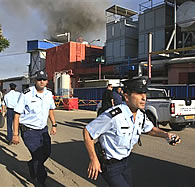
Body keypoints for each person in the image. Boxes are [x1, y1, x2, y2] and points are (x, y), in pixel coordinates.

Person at [83, 76, 181, 187]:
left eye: (144, 94)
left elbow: (149, 129)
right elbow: (88, 132)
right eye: (139, 94)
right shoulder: (114, 115)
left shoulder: (140, 115)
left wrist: (166, 135)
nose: (144, 98)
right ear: (126, 96)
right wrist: (93, 159)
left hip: (125, 163)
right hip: (109, 165)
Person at [12, 70, 57, 187]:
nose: (42, 82)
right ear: (34, 81)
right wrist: (15, 134)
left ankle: (32, 165)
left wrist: (54, 124)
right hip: (29, 131)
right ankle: (40, 181)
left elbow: (51, 109)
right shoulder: (26, 94)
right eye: (39, 79)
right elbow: (17, 114)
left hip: (43, 130)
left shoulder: (48, 94)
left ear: (47, 81)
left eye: (44, 79)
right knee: (37, 155)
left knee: (46, 152)